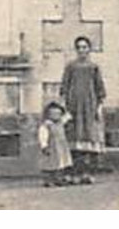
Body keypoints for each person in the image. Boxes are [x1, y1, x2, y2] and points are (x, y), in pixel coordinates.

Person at [59, 36, 106, 182]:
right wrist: (64, 106)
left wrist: (98, 107)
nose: (82, 50)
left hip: (89, 107)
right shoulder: (71, 67)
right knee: (74, 138)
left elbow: (100, 89)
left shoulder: (93, 67)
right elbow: (64, 87)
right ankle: (73, 173)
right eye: (79, 47)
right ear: (76, 50)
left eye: (84, 47)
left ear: (89, 49)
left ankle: (87, 173)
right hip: (73, 107)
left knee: (88, 138)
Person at [37, 101, 74, 188]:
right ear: (48, 115)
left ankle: (59, 179)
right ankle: (48, 180)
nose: (56, 116)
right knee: (49, 164)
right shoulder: (46, 125)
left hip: (61, 147)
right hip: (51, 148)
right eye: (53, 114)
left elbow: (67, 117)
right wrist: (44, 145)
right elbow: (43, 136)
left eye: (58, 114)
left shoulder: (60, 123)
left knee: (60, 164)